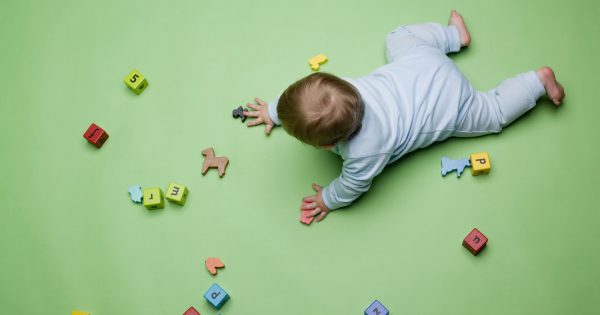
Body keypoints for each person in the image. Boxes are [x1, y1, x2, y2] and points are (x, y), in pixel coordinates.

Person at [243, 10, 565, 222]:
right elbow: (308, 101)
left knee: (493, 113)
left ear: (328, 146)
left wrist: (328, 199)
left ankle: (536, 82)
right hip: (423, 63)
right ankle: (453, 38)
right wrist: (275, 111)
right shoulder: (344, 89)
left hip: (450, 105)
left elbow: (353, 185)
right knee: (397, 36)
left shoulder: (365, 152)